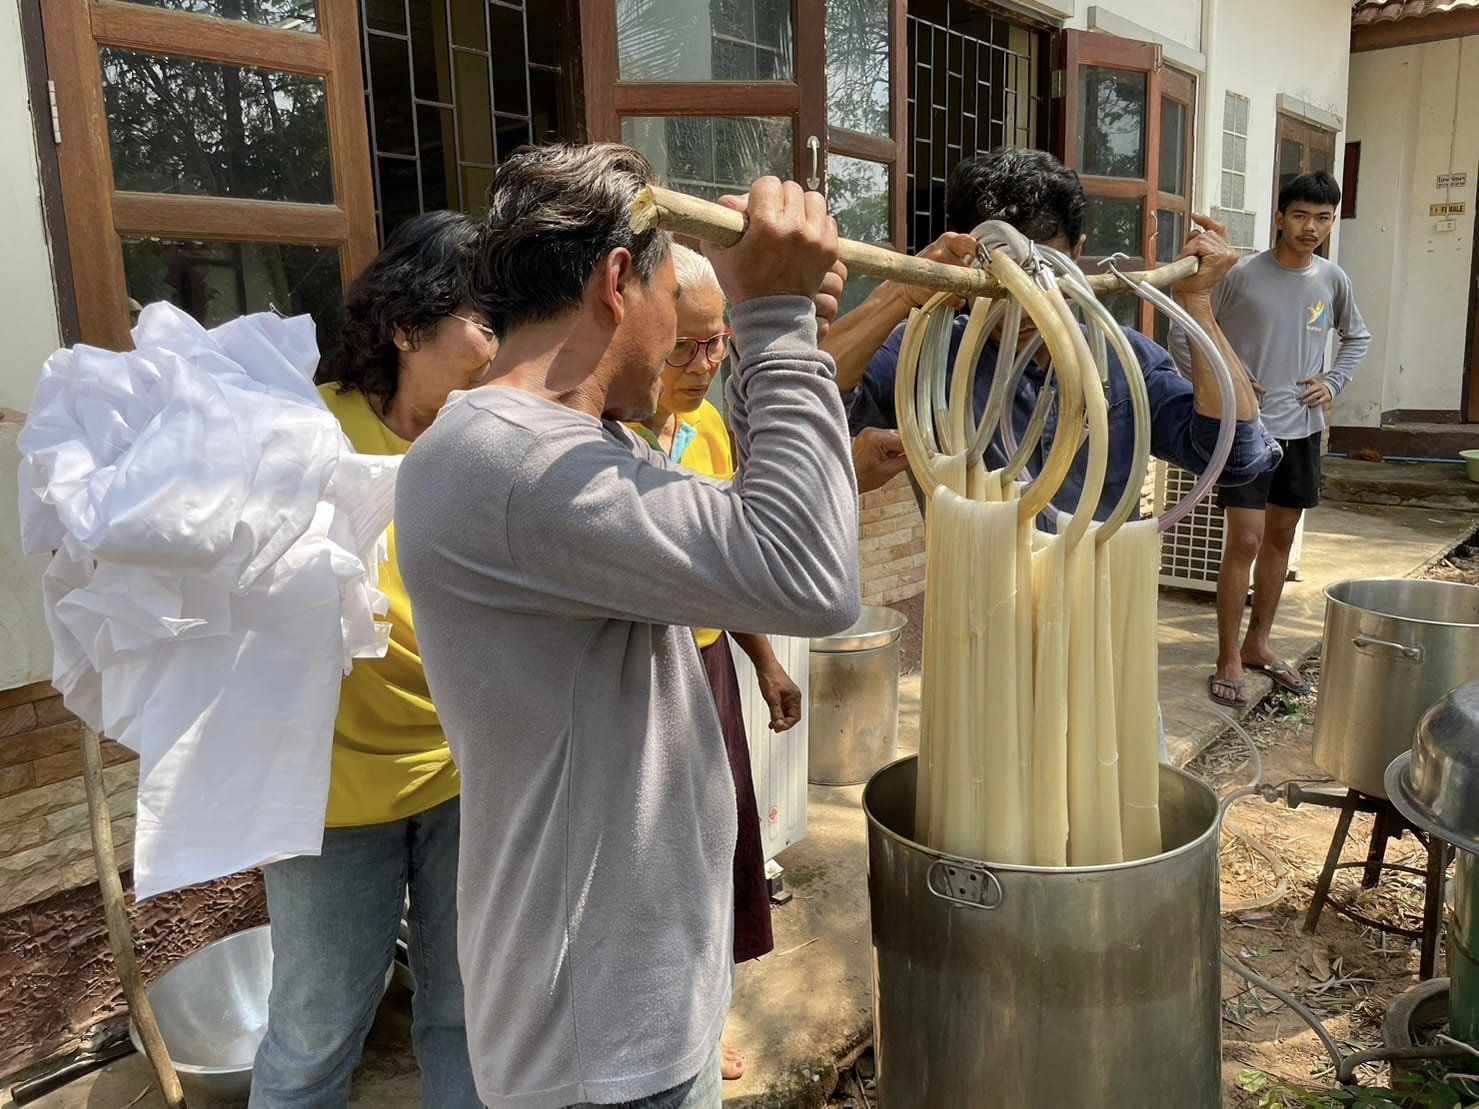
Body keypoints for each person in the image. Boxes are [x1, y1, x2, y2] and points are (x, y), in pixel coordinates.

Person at [395, 144, 859, 1109]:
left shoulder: (561, 446)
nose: (690, 342)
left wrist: (785, 331)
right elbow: (810, 577)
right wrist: (775, 324)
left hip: (628, 1003)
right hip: (599, 1044)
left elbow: (741, 533)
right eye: (675, 311)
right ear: (616, 281)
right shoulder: (522, 466)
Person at [250, 210, 490, 1109]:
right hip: (329, 796)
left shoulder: (487, 446)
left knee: (467, 1011)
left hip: (462, 776)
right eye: (483, 320)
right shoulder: (309, 432)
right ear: (406, 325)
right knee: (317, 1032)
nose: (501, 347)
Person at [824, 147, 1279, 524]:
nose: (1024, 302)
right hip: (977, 611)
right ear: (964, 254)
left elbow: (1235, 455)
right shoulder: (927, 355)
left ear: (1076, 256)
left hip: (1098, 613)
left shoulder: (1122, 360)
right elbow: (814, 400)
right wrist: (899, 293)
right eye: (1001, 275)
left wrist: (1197, 303)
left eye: (1043, 271)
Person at [626, 243, 803, 1082]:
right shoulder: (609, 435)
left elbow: (731, 561)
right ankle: (665, 1023)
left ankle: (707, 1015)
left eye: (716, 344)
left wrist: (763, 661)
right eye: (682, 347)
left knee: (720, 842)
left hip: (707, 666)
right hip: (638, 677)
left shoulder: (707, 428)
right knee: (654, 853)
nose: (702, 365)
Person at [1172, 171, 1371, 708]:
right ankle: (1227, 656)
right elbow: (1182, 328)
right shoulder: (1242, 274)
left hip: (1302, 433)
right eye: (1301, 215)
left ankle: (1259, 642)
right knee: (1246, 541)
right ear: (1279, 217)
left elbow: (1359, 337)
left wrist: (1332, 382)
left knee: (1281, 540)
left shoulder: (1332, 280)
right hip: (1245, 431)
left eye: (1323, 217)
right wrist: (1219, 380)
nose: (1312, 227)